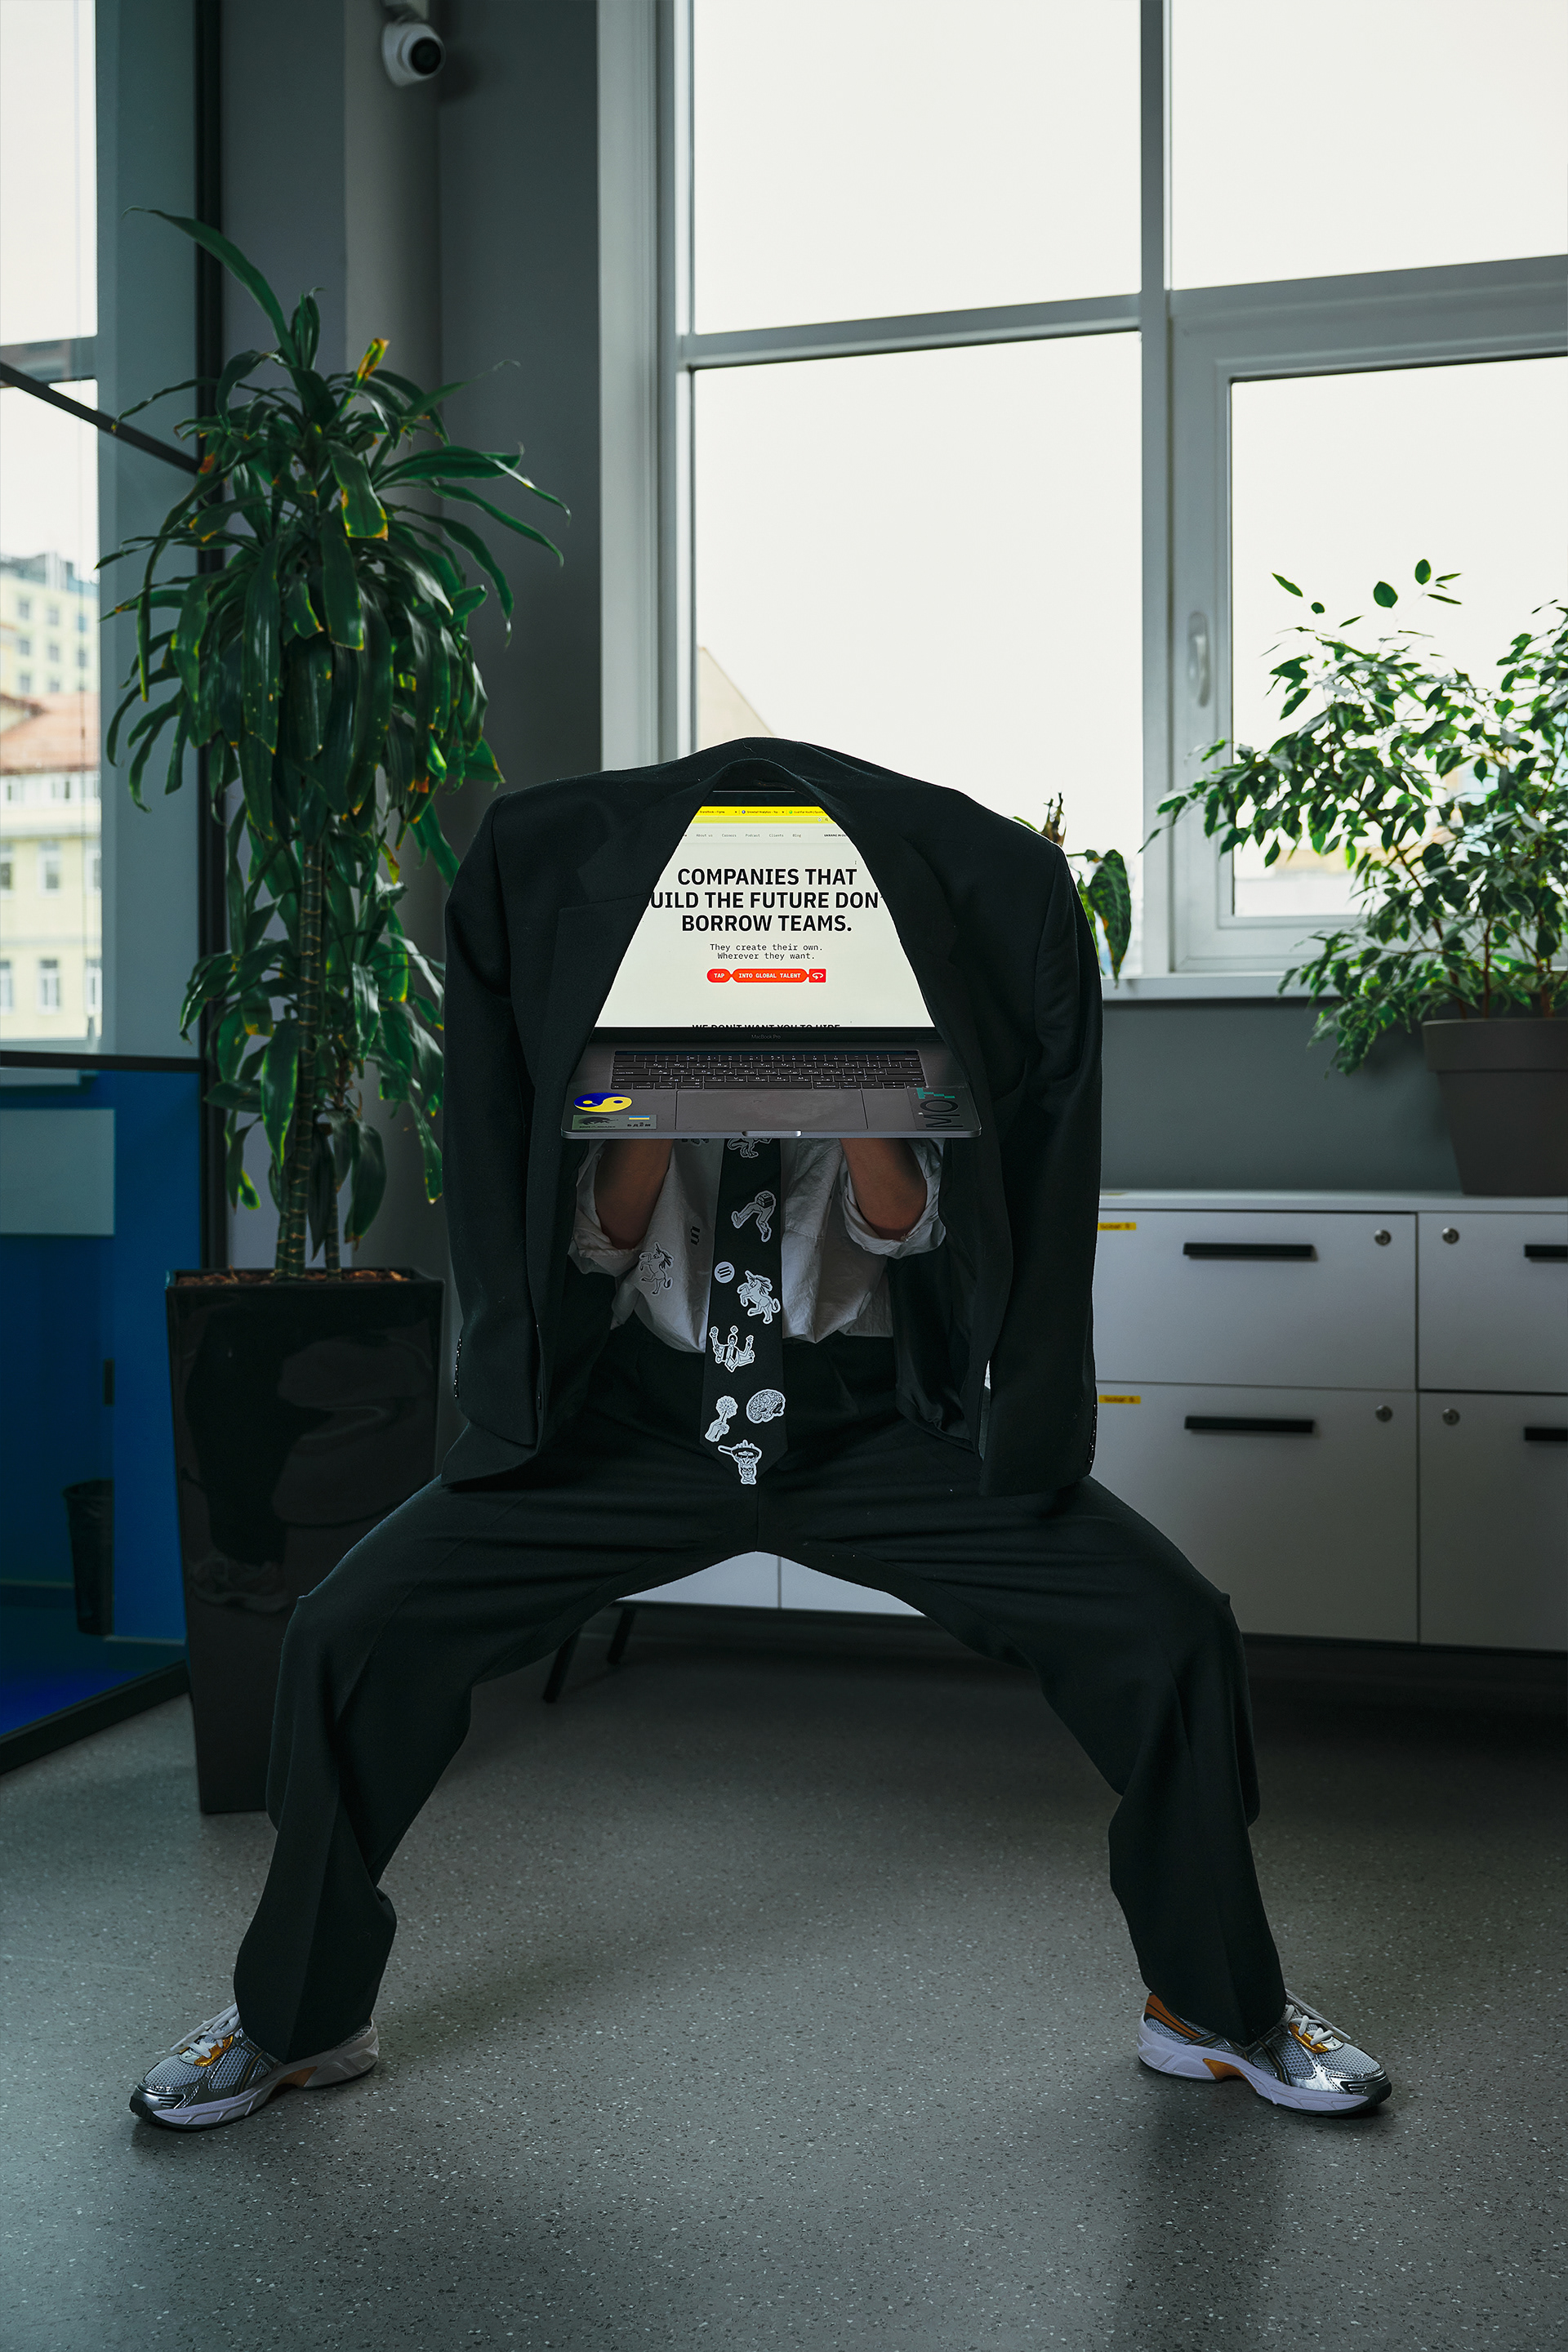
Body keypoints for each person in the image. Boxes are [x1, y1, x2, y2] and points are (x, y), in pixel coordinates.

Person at [131, 741, 1391, 2128]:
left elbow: (901, 1226)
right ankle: (296, 2021)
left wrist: (850, 1071)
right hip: (633, 1426)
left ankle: (1214, 2009)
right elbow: (600, 1248)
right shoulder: (609, 1018)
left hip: (865, 1428)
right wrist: (662, 1079)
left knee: (1168, 1626)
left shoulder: (895, 1013)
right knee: (349, 1631)